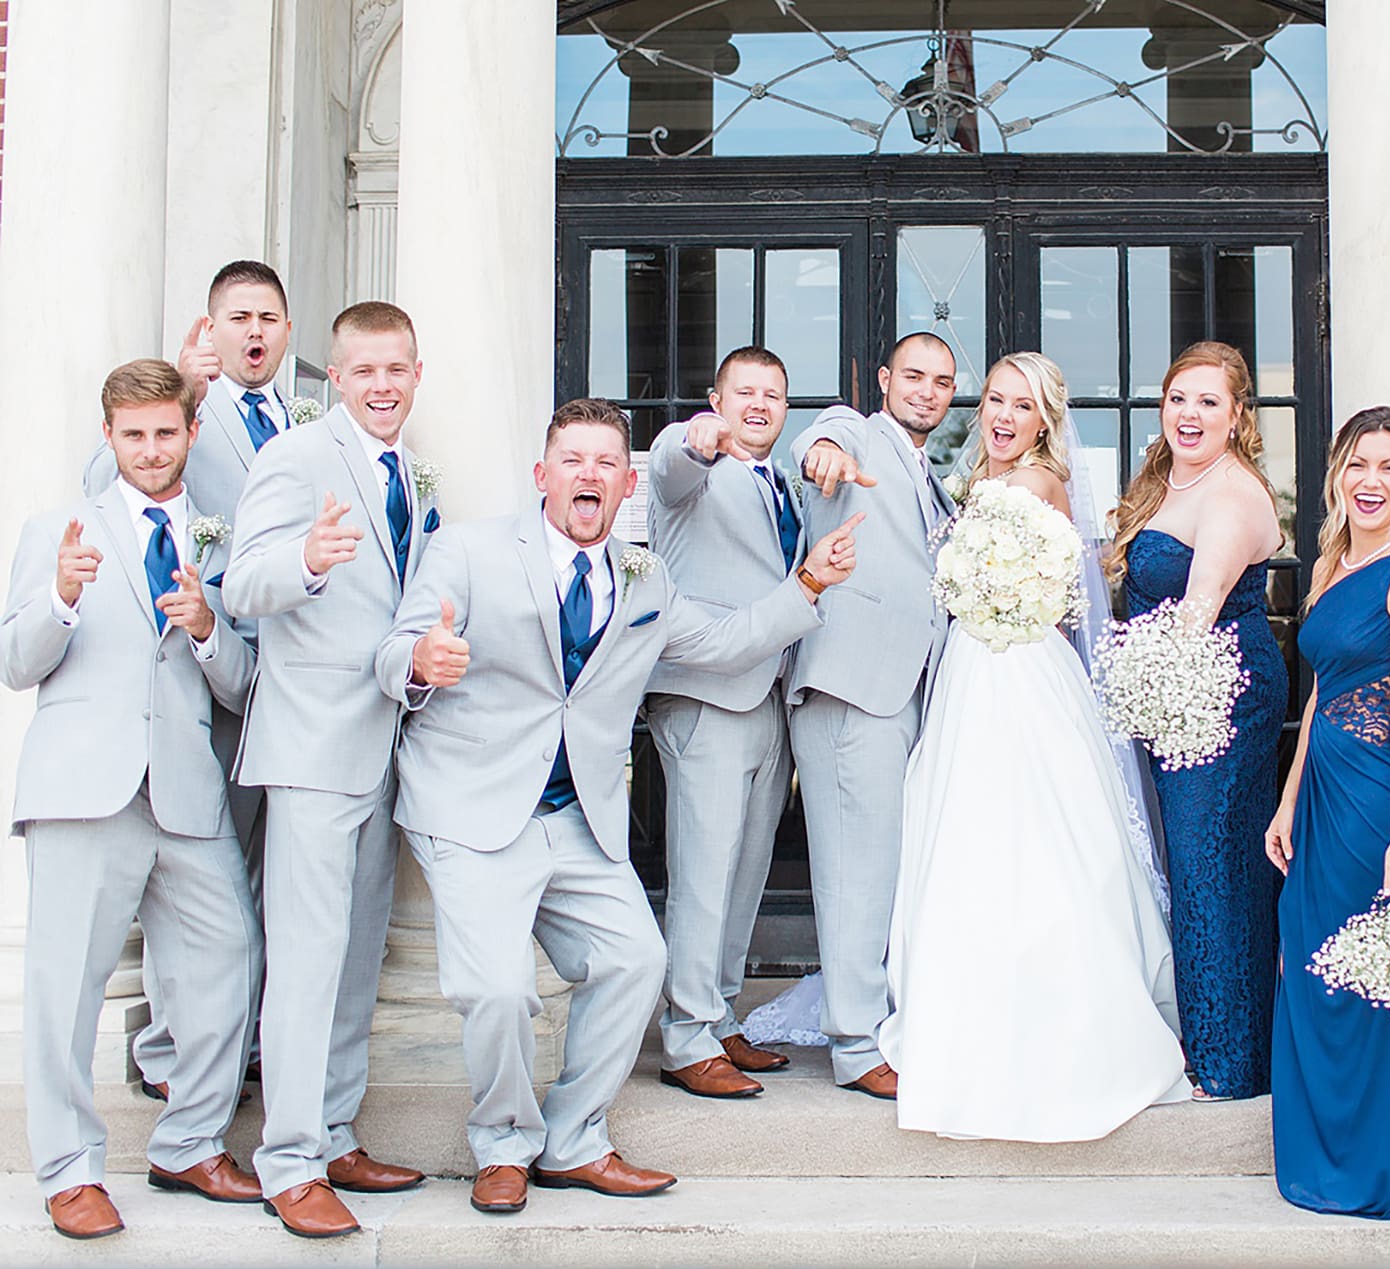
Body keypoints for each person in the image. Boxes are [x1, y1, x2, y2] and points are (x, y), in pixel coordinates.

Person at [377, 397, 862, 1215]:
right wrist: (423, 660)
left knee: (639, 961)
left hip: (578, 817)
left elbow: (716, 645)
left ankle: (572, 1140)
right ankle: (502, 1144)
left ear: (626, 481)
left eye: (606, 462)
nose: (589, 475)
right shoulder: (466, 551)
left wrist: (808, 581)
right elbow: (396, 653)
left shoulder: (645, 576)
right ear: (543, 475)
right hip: (471, 808)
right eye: (573, 460)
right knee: (497, 989)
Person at [879, 353, 1190, 1141]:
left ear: (1046, 420)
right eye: (996, 401)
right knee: (978, 835)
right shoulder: (985, 478)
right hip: (980, 667)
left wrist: (987, 596)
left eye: (1023, 406)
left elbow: (1049, 592)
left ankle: (1029, 1029)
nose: (1004, 416)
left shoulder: (1030, 484)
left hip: (1013, 668)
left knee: (1022, 838)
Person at [3, 360, 262, 1238]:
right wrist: (61, 598)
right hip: (83, 788)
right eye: (133, 435)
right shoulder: (55, 531)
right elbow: (15, 663)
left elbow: (242, 686)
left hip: (186, 789)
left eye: (165, 432)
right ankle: (70, 1170)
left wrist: (206, 629)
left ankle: (189, 1143)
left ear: (191, 432)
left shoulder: (224, 545)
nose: (151, 450)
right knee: (65, 986)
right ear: (109, 437)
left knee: (231, 956)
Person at [223, 301, 440, 1237]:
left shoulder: (415, 480)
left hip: (385, 748)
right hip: (312, 750)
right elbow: (238, 584)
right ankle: (290, 1160)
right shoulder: (297, 458)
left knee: (354, 961)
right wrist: (307, 562)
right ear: (334, 380)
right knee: (307, 965)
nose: (383, 387)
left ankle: (336, 1129)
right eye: (365, 373)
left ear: (415, 374)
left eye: (397, 370)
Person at [83, 260, 294, 1102]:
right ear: (210, 329)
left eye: (268, 317)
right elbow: (105, 497)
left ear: (287, 330)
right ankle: (173, 1055)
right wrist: (187, 396)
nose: (253, 331)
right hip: (212, 687)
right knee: (200, 883)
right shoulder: (174, 416)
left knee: (274, 884)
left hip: (300, 684)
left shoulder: (308, 414)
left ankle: (243, 1039)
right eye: (236, 316)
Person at [1265, 406, 1390, 1221]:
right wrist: (1285, 799)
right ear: (1337, 477)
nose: (1371, 481)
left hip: (1384, 798)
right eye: (1357, 465)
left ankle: (1388, 1167)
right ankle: (1329, 1151)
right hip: (1321, 794)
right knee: (1315, 968)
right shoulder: (1333, 563)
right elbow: (1319, 698)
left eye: (1389, 466)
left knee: (1376, 981)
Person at [1107, 340, 1289, 1102]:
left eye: (1209, 402)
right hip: (1176, 692)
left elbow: (1198, 610)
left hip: (1214, 693)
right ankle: (1218, 1042)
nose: (1190, 414)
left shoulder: (1231, 494)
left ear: (1238, 415)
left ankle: (1226, 1061)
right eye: (1179, 398)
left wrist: (1139, 692)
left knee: (1213, 868)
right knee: (1198, 865)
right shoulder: (1165, 483)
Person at [788, 333, 957, 1099]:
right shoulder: (856, 435)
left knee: (885, 868)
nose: (927, 390)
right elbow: (822, 440)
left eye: (943, 382)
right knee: (857, 872)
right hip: (854, 689)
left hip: (908, 693)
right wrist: (821, 448)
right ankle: (856, 1047)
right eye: (913, 376)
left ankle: (875, 1022)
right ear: (885, 379)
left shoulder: (935, 477)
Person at [646, 347, 806, 1098]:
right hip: (707, 694)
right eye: (744, 392)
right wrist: (694, 438)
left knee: (745, 873)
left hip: (770, 692)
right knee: (703, 874)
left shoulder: (787, 487)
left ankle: (718, 1015)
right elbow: (671, 464)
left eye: (773, 394)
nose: (759, 405)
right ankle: (684, 1037)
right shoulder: (692, 475)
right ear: (716, 398)